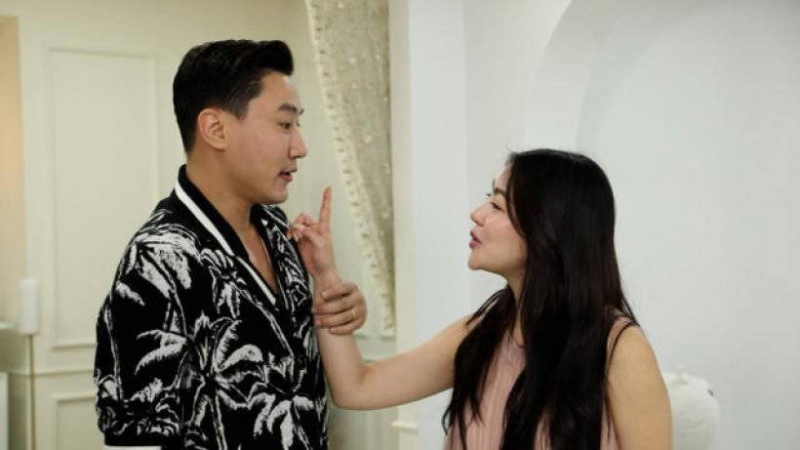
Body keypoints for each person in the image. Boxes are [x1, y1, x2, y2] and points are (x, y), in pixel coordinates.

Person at [290, 149, 672, 449]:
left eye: (497, 205)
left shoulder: (619, 349)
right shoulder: (483, 334)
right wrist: (324, 275)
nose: (477, 214)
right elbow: (356, 387)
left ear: (548, 228)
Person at [93, 39, 367, 450]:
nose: (301, 147)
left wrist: (335, 298)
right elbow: (136, 440)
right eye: (284, 124)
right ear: (216, 129)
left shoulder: (278, 232)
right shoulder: (158, 261)